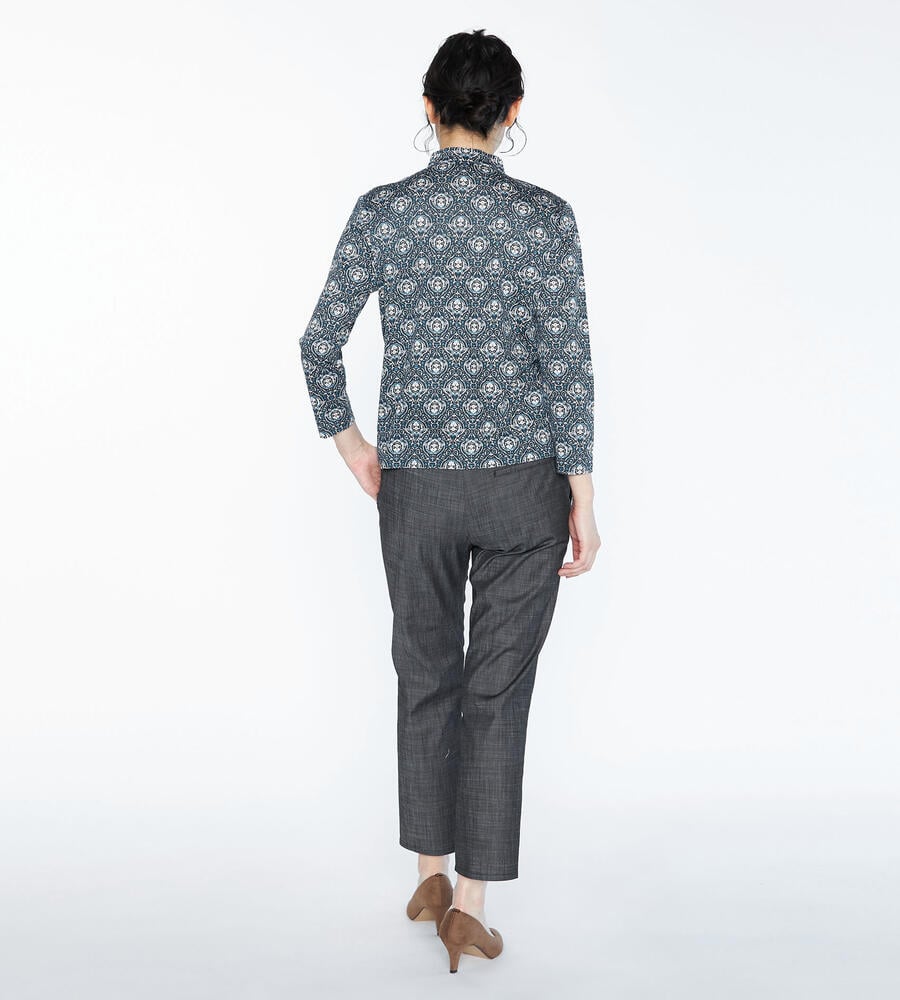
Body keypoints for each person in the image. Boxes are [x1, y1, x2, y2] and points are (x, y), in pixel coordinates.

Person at [299, 27, 602, 973]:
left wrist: (355, 448)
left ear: (428, 108)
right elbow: (568, 367)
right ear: (513, 112)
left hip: (417, 490)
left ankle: (428, 873)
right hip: (522, 491)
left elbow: (317, 343)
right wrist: (582, 494)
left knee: (424, 673)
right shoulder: (546, 219)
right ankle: (469, 906)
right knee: (495, 695)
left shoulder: (383, 212)